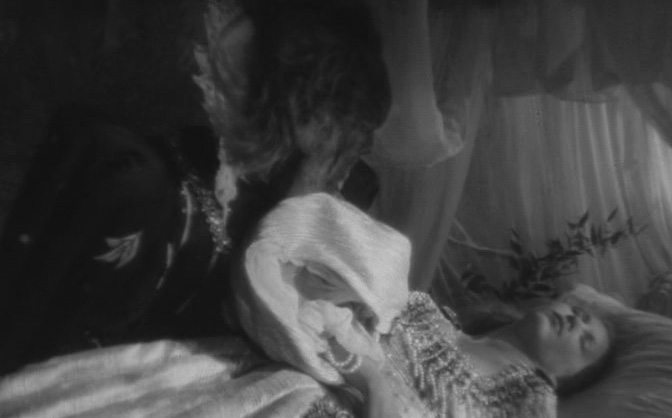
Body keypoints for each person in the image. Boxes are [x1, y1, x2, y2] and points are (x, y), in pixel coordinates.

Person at [0, 193, 614, 418]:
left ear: (566, 379)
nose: (577, 323)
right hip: (279, 390)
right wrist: (371, 377)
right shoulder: (427, 311)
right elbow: (323, 310)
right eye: (578, 312)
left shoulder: (522, 406)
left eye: (589, 340)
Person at [0, 0, 391, 374]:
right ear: (303, 115)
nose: (355, 153)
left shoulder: (331, 203)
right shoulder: (147, 189)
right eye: (342, 129)